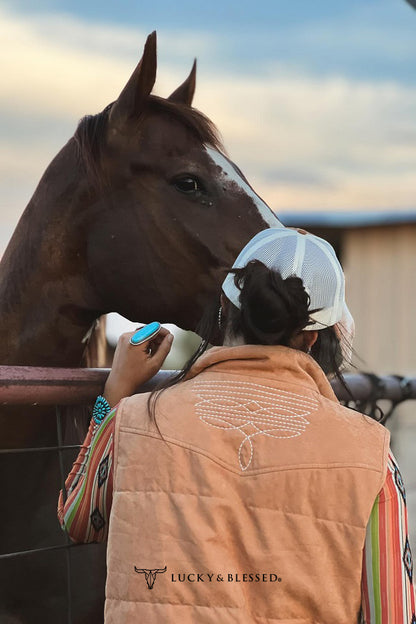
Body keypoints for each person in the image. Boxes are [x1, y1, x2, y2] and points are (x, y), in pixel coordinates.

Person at [58, 228, 415, 623]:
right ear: (314, 339)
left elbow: (79, 519)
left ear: (225, 309)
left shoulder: (136, 418)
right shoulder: (371, 454)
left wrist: (115, 394)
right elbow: (393, 613)